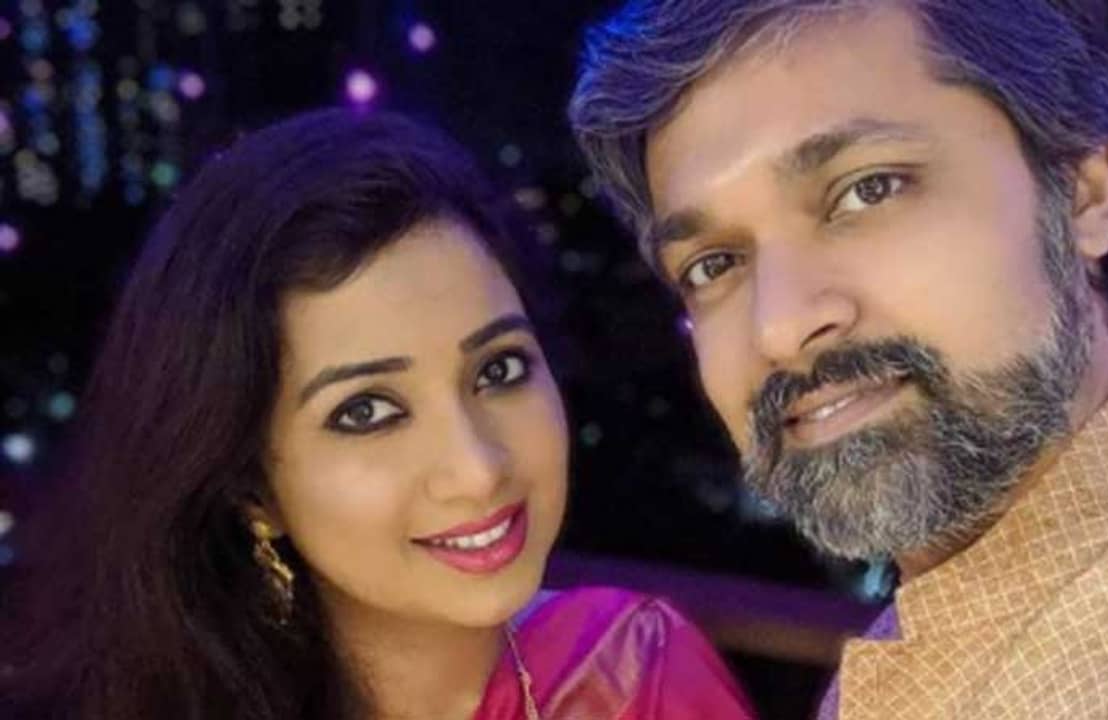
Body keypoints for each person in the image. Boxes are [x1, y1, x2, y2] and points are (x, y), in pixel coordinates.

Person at [569, 1, 1108, 718]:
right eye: (712, 265)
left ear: (1083, 192)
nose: (778, 326)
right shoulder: (915, 641)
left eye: (867, 189)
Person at [0, 109, 753, 720]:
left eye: (499, 370)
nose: (477, 468)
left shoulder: (629, 680)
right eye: (367, 411)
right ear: (251, 489)